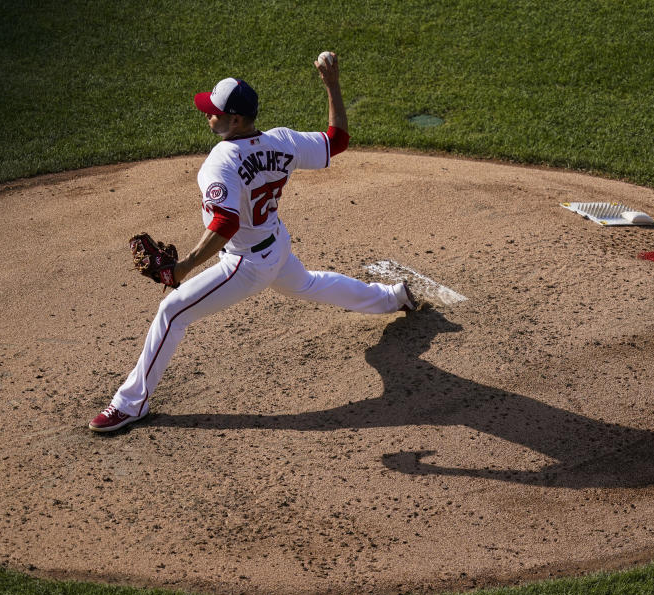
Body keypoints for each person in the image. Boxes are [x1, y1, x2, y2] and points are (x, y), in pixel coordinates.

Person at [89, 54, 420, 432]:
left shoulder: (221, 161)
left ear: (236, 120)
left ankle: (130, 404)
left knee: (172, 311)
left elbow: (226, 222)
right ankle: (393, 297)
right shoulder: (283, 140)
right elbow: (337, 140)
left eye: (214, 111)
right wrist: (331, 84)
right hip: (276, 244)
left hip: (246, 265)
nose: (207, 115)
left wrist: (183, 268)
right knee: (309, 284)